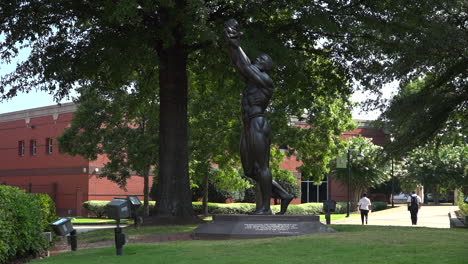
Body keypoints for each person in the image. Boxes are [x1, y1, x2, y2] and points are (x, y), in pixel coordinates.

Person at [224, 19, 293, 215]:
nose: (257, 59)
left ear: (266, 66)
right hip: (247, 125)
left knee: (262, 166)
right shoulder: (251, 80)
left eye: (261, 59)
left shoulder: (265, 81)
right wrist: (232, 44)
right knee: (249, 170)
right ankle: (283, 194)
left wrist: (236, 43)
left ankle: (265, 208)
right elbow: (239, 63)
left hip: (258, 123)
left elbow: (245, 65)